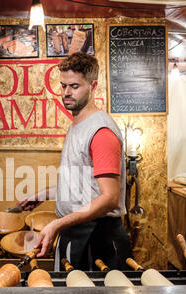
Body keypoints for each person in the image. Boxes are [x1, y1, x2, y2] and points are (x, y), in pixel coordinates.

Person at [18, 52, 132, 271]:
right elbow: (84, 187)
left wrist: (57, 223)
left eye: (74, 86)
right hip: (76, 231)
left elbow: (109, 198)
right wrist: (44, 194)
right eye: (63, 86)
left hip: (97, 237)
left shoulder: (101, 132)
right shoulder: (77, 125)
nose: (66, 93)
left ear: (93, 85)